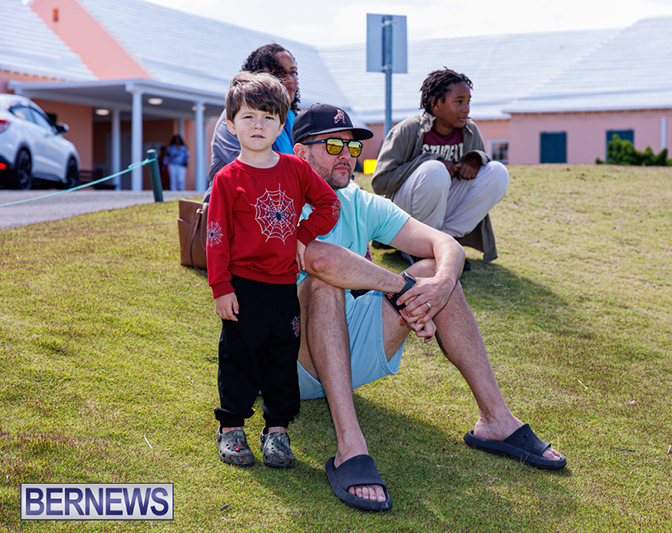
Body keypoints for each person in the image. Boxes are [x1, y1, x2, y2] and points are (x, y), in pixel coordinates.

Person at [292, 104, 566, 512]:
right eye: (333, 145)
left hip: (347, 353)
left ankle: (496, 420)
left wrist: (439, 286)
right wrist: (404, 287)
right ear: (300, 153)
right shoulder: (280, 200)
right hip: (292, 364)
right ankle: (350, 447)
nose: (346, 155)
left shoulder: (359, 202)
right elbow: (319, 259)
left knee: (435, 271)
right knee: (322, 285)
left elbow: (446, 244)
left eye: (352, 146)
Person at [207, 75, 340, 470]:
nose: (258, 125)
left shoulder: (296, 170)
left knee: (281, 359)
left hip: (283, 287)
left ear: (282, 125)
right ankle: (231, 426)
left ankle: (277, 430)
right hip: (241, 288)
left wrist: (303, 235)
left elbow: (329, 205)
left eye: (268, 117)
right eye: (248, 117)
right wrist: (220, 287)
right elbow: (216, 237)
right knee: (238, 357)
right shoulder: (227, 179)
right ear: (232, 124)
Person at [371, 68, 510, 266]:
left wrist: (476, 160)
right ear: (436, 104)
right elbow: (380, 183)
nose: (466, 109)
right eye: (459, 101)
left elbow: (481, 176)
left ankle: (445, 244)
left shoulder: (469, 130)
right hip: (405, 211)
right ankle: (418, 247)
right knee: (435, 171)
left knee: (498, 172)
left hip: (443, 207)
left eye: (468, 102)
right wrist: (430, 161)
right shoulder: (409, 129)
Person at [207, 43, 300, 185]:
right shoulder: (235, 117)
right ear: (259, 76)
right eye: (280, 73)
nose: (289, 79)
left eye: (292, 72)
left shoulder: (294, 119)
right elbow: (249, 170)